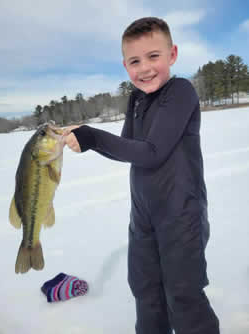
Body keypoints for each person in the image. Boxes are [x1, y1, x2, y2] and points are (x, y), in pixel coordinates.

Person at [63, 17, 220, 334]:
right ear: (125, 66)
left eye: (154, 56)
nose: (145, 68)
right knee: (146, 291)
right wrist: (86, 140)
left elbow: (151, 152)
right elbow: (128, 147)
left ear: (172, 54)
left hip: (181, 214)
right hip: (143, 218)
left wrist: (93, 137)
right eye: (135, 61)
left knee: (183, 294)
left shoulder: (181, 92)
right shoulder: (136, 99)